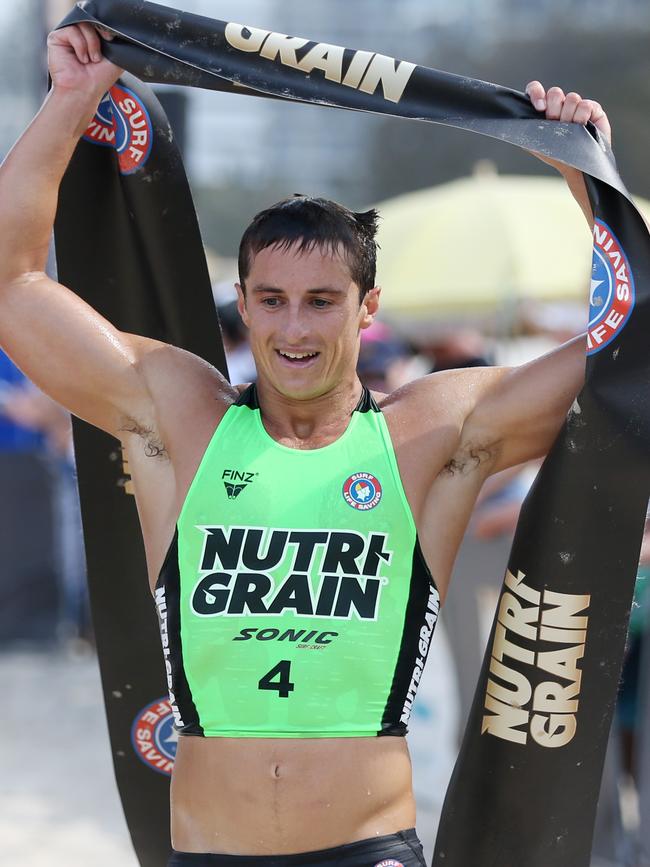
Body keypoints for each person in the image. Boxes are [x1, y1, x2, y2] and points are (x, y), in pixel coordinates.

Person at [0, 21, 613, 867]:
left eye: (323, 300)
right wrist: (71, 100)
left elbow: (631, 353)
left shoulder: (433, 432)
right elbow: (12, 281)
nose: (296, 327)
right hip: (209, 850)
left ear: (369, 310)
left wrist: (579, 170)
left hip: (368, 851)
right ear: (243, 307)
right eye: (274, 299)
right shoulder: (178, 419)